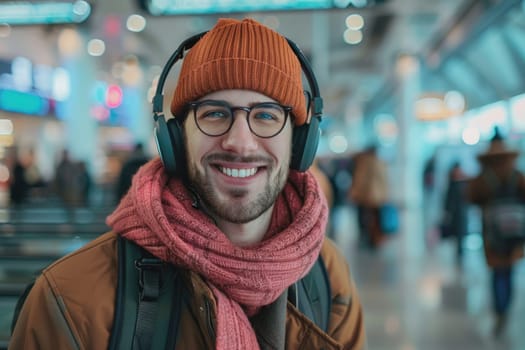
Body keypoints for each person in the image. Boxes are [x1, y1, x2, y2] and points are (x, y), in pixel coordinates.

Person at [10, 18, 366, 349]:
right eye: (214, 113)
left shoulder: (326, 275)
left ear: (300, 141)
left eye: (266, 116)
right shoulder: (71, 299)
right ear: (176, 139)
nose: (240, 142)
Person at [467, 127, 525, 337]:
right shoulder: (516, 175)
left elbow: (471, 197)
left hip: (491, 234)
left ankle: (499, 309)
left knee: (496, 272)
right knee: (509, 271)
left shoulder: (483, 177)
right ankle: (506, 306)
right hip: (515, 233)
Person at [348, 144, 390, 249]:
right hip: (377, 197)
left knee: (364, 219)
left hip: (364, 196)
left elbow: (360, 179)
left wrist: (354, 193)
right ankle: (373, 239)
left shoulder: (364, 162)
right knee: (374, 219)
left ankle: (367, 238)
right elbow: (384, 181)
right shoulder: (380, 162)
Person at [441, 161, 469, 264]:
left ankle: (460, 254)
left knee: (461, 235)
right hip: (455, 214)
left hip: (462, 213)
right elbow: (448, 200)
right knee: (457, 234)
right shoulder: (452, 184)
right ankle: (458, 254)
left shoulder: (463, 182)